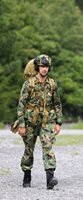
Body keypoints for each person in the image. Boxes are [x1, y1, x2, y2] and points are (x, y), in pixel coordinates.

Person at [17, 54, 62, 189]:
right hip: (30, 122)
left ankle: (50, 177)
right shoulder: (29, 84)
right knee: (29, 149)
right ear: (37, 67)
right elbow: (21, 105)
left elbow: (57, 104)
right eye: (42, 66)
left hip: (46, 122)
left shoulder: (52, 84)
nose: (44, 69)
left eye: (46, 67)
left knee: (48, 148)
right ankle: (27, 174)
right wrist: (21, 124)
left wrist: (58, 122)